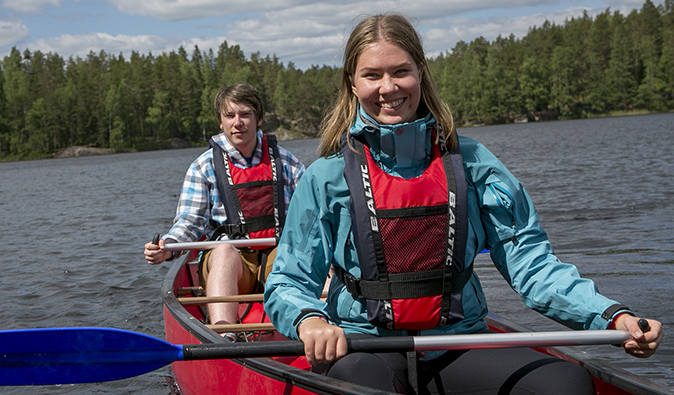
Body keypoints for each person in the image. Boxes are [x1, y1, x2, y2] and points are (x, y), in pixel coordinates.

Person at [264, 13, 663, 394]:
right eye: (372, 75)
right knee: (362, 385)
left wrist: (611, 316)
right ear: (352, 84)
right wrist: (309, 319)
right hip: (366, 348)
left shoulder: (474, 164)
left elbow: (532, 264)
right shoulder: (325, 177)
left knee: (563, 382)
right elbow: (289, 281)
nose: (388, 87)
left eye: (400, 71)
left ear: (420, 72)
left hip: (456, 342)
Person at [145, 83, 305, 333]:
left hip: (277, 260)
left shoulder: (286, 161)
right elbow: (190, 221)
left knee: (304, 250)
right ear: (221, 122)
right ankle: (224, 333)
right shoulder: (203, 167)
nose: (238, 122)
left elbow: (312, 215)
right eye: (230, 116)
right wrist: (169, 247)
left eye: (245, 114)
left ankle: (321, 326)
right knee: (223, 251)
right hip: (234, 267)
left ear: (259, 118)